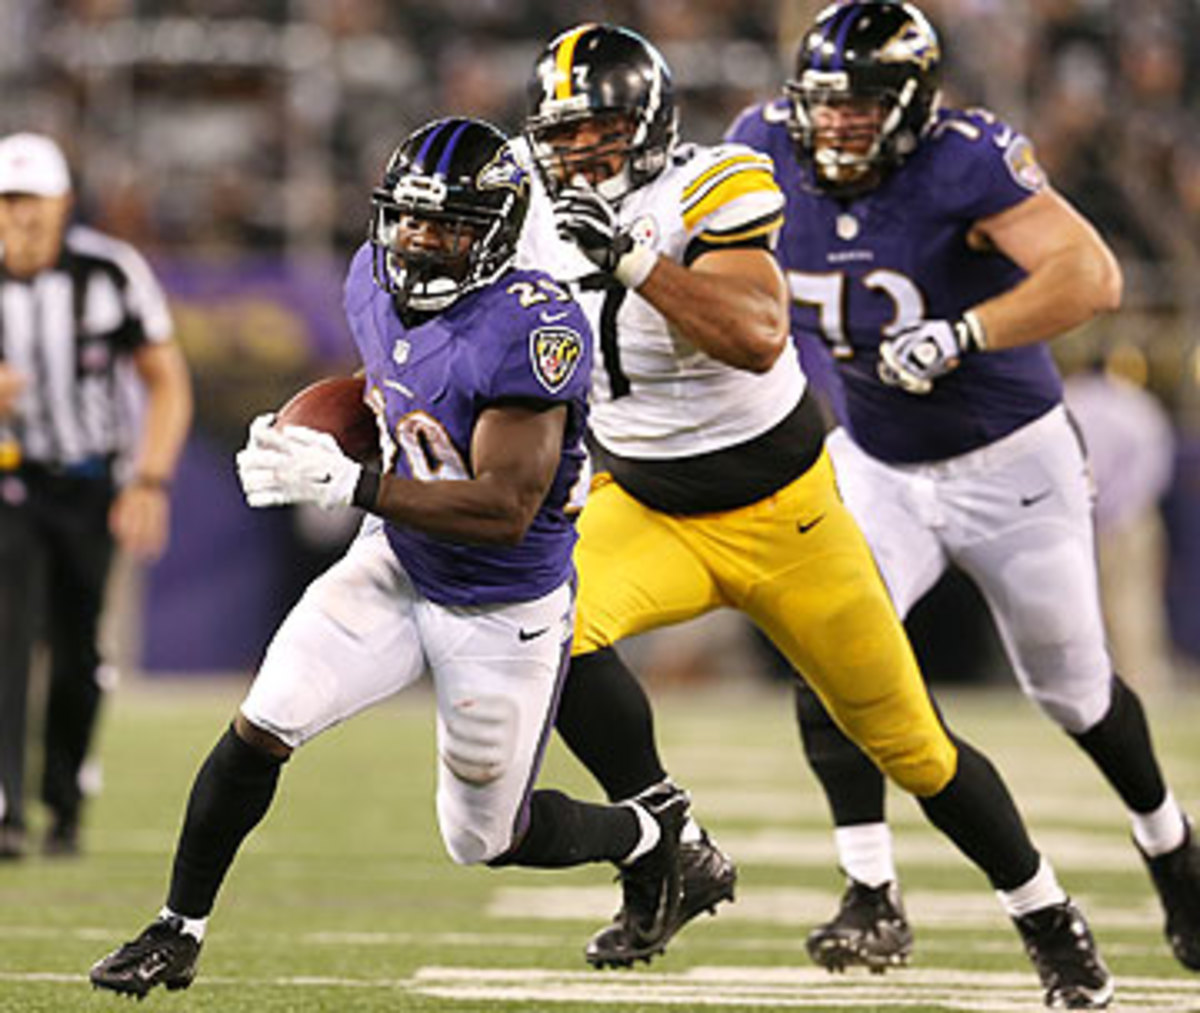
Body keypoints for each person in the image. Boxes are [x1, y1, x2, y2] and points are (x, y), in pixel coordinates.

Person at [525, 23, 1113, 1008]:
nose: (582, 151)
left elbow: (758, 336)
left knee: (913, 746)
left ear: (655, 124)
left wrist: (636, 264)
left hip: (789, 518)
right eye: (565, 131)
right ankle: (669, 846)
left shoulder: (719, 182)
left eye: (605, 128)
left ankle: (1046, 910)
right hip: (652, 505)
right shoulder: (535, 213)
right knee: (539, 623)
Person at [89, 117, 691, 1000]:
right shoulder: (372, 275)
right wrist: (304, 435)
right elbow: (392, 388)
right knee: (264, 721)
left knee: (486, 838)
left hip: (501, 603)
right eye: (410, 219)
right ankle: (177, 928)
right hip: (399, 561)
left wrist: (352, 483)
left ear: (495, 231)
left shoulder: (535, 326)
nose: (422, 240)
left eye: (449, 224)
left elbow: (504, 508)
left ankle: (646, 837)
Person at [722, 0, 1199, 979]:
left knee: (1071, 688)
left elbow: (1091, 274)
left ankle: (1171, 844)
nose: (838, 125)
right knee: (828, 646)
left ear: (913, 104)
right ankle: (870, 888)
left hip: (1010, 460)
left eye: (861, 107)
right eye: (825, 105)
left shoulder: (965, 156)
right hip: (878, 459)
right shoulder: (760, 144)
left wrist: (970, 329)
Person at [0, 132, 192, 860]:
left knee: (80, 650)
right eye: (8, 201)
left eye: (32, 201)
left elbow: (166, 378)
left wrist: (150, 479)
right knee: (8, 632)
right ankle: (7, 810)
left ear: (63, 204)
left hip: (88, 483)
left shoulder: (110, 272)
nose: (21, 217)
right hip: (9, 480)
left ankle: (64, 799)